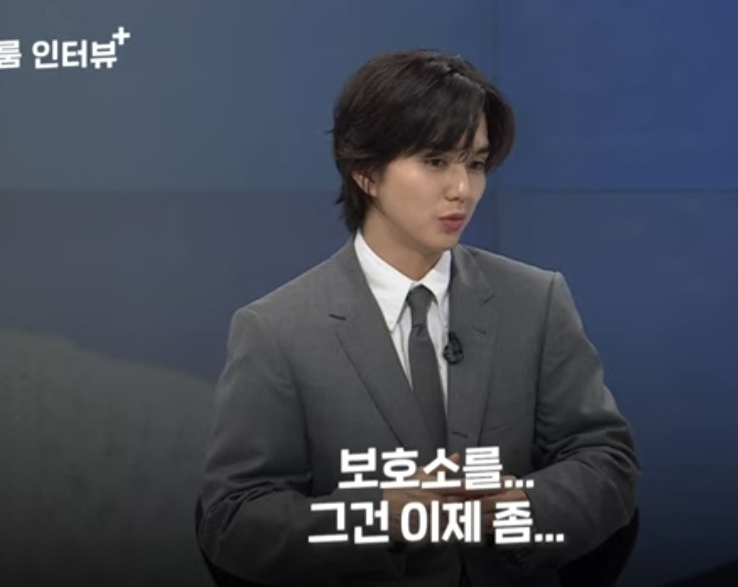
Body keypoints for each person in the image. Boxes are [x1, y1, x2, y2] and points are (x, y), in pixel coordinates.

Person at [198, 48, 639, 587]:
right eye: (435, 161)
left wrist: (522, 506)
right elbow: (235, 520)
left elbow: (606, 463)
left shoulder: (535, 301)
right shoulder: (277, 330)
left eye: (475, 164)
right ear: (366, 173)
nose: (463, 189)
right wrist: (378, 515)